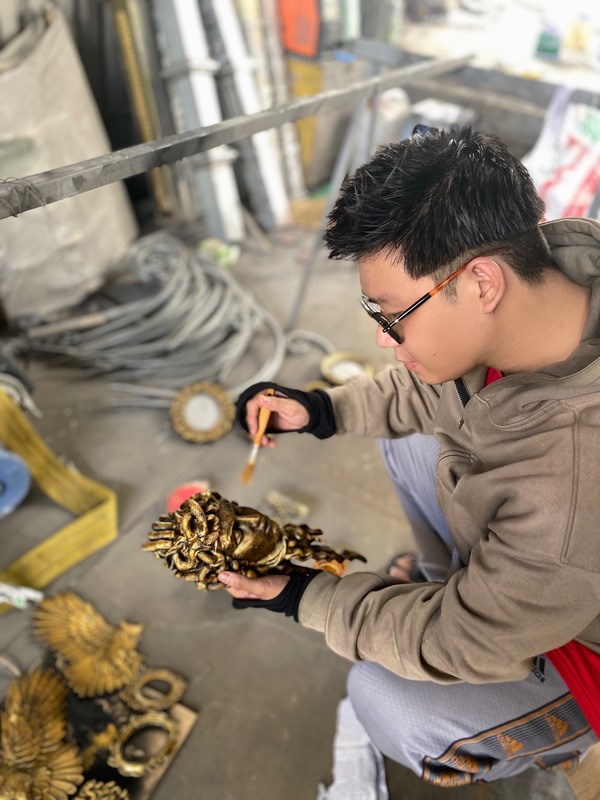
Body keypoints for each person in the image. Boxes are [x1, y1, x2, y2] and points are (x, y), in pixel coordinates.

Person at [218, 126, 600, 786]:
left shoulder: (566, 484)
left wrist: (305, 595)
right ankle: (448, 582)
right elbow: (439, 385)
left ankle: (562, 741)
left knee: (385, 700)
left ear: (482, 283)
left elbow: (463, 639)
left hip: (579, 644)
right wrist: (321, 409)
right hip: (549, 575)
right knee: (415, 436)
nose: (381, 338)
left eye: (391, 315)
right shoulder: (555, 278)